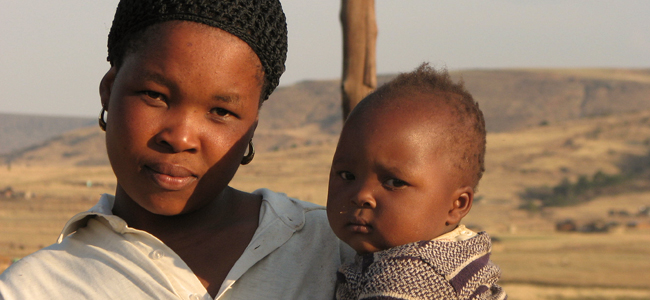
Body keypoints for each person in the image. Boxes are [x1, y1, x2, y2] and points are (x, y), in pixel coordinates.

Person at [0, 0, 353, 299]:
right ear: (109, 89)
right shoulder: (35, 287)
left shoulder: (337, 247)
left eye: (221, 112)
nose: (181, 138)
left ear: (252, 126)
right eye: (155, 96)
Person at [326, 64, 507, 300]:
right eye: (347, 176)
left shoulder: (408, 278)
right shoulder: (452, 262)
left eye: (394, 182)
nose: (362, 195)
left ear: (457, 205)